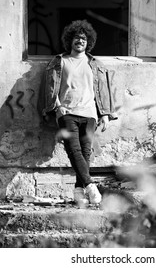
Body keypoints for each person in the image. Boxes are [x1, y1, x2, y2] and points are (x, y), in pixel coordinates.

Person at [38, 20, 117, 207]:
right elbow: (50, 87)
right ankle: (90, 185)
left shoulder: (94, 63)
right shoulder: (60, 61)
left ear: (88, 41)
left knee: (85, 153)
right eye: (76, 38)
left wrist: (104, 114)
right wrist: (57, 107)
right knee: (74, 150)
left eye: (83, 38)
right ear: (69, 41)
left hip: (89, 114)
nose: (79, 41)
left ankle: (78, 190)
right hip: (67, 113)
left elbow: (102, 89)